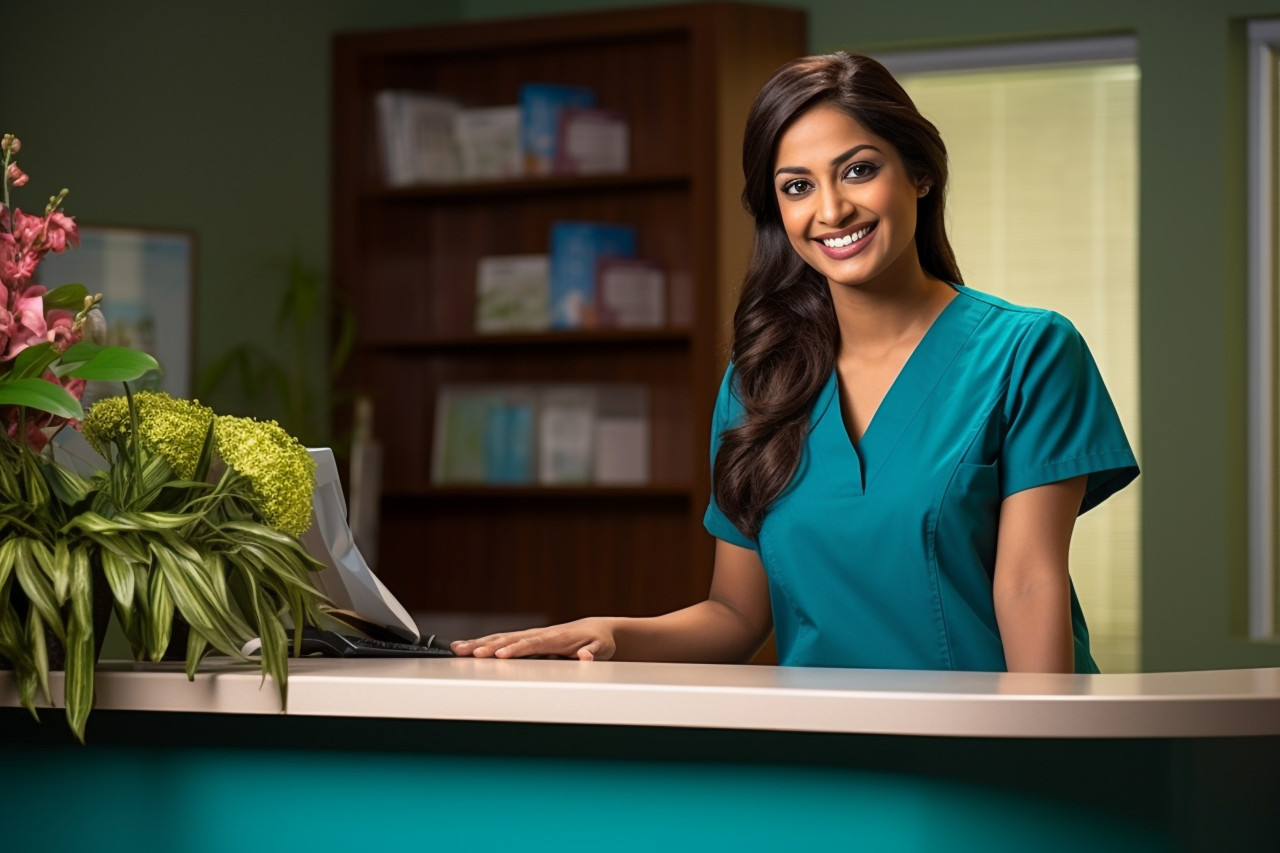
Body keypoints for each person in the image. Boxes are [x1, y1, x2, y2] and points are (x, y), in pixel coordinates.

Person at [451, 52, 1139, 673]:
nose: (832, 209)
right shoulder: (761, 381)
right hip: (824, 754)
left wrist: (1040, 752)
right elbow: (735, 617)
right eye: (797, 186)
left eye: (859, 170)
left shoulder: (1029, 352)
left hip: (983, 754)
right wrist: (609, 632)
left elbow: (1027, 585)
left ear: (920, 173)